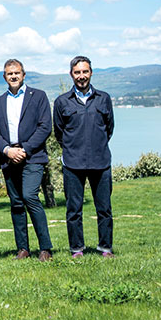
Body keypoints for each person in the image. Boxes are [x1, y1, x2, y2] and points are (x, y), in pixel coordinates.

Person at [53, 56, 115, 258]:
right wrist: (73, 148)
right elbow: (59, 132)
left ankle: (105, 248)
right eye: (77, 72)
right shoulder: (62, 102)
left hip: (101, 162)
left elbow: (109, 128)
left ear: (91, 73)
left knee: (104, 208)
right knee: (74, 210)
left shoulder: (103, 98)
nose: (81, 76)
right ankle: (76, 249)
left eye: (85, 72)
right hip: (73, 163)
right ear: (71, 74)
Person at [0, 59, 53, 262]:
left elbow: (45, 127)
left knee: (30, 197)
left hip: (33, 157)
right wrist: (8, 150)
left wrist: (24, 149)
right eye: (9, 74)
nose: (13, 76)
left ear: (23, 74)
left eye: (17, 73)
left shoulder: (39, 96)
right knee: (16, 203)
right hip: (8, 159)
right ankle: (23, 249)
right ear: (4, 77)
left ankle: (45, 248)